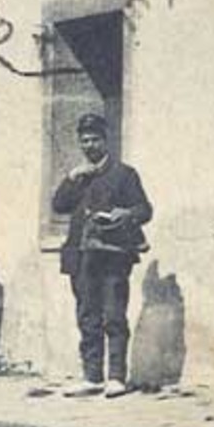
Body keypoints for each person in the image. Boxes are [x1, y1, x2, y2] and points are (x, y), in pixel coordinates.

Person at [52, 113, 153, 399]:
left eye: (94, 139)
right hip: (81, 257)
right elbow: (59, 206)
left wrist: (127, 214)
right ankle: (92, 376)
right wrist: (71, 179)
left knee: (113, 315)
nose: (89, 145)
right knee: (87, 316)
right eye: (84, 140)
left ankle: (117, 377)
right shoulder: (79, 176)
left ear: (105, 141)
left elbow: (145, 210)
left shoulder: (124, 174)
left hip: (112, 256)